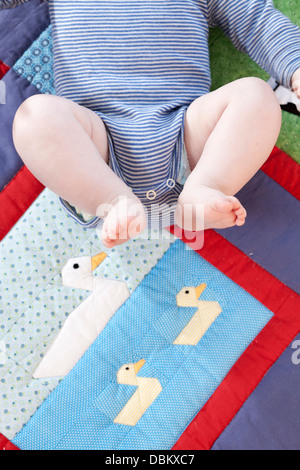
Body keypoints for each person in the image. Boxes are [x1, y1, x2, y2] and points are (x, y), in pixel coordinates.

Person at [3, 0, 300, 247]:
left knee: (256, 95)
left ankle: (207, 187)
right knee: (35, 117)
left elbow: (256, 21)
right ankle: (113, 200)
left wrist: (295, 66)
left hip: (187, 137)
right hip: (95, 148)